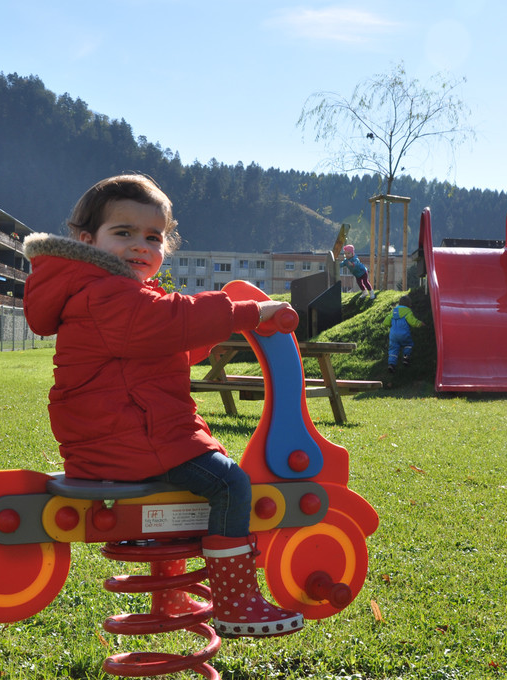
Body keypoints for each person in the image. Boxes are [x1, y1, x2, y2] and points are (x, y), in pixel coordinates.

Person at [22, 174, 303, 638]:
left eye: (152, 237)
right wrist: (246, 313)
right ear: (86, 240)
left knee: (180, 492)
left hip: (122, 433)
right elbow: (168, 321)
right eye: (124, 232)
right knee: (230, 482)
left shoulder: (105, 291)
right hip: (132, 437)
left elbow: (153, 344)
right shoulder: (105, 293)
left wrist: (203, 338)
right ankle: (236, 602)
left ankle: (169, 590)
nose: (140, 245)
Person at [386, 295, 423, 372]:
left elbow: (386, 322)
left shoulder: (394, 312)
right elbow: (413, 321)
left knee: (393, 349)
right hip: (404, 334)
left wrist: (390, 325)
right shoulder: (407, 312)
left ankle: (391, 364)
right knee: (408, 345)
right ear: (409, 304)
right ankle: (406, 358)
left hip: (393, 335)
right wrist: (420, 324)